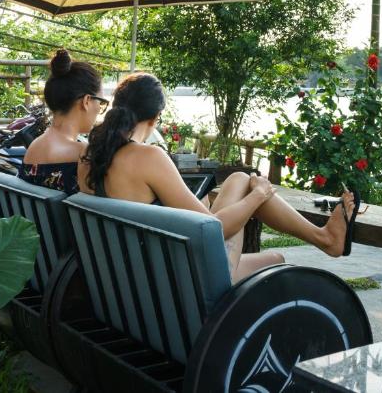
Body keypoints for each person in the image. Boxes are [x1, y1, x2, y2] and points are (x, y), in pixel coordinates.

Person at [79, 73, 358, 281]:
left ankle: (324, 237)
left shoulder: (90, 158)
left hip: (134, 277)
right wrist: (261, 194)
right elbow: (212, 229)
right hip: (180, 281)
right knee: (275, 258)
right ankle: (325, 238)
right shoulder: (149, 157)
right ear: (156, 117)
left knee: (239, 179)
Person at [20, 49, 106, 194]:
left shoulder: (34, 148)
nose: (99, 109)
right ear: (86, 101)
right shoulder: (84, 154)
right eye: (101, 102)